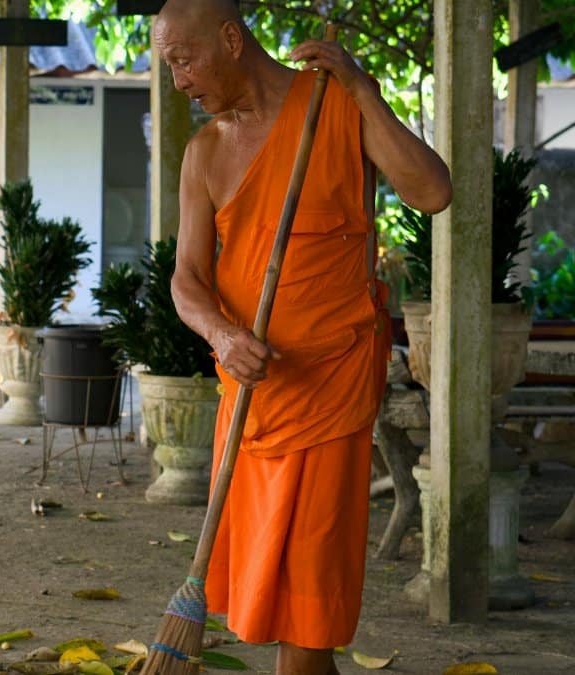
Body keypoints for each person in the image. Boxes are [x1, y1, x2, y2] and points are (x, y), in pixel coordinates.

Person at [151, 1, 452, 674]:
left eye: (183, 60)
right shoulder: (204, 153)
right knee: (272, 602)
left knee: (309, 613)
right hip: (254, 402)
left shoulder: (335, 108)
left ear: (231, 40)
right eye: (170, 66)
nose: (179, 82)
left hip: (333, 390)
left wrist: (364, 92)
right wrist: (223, 336)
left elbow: (431, 192)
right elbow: (187, 281)